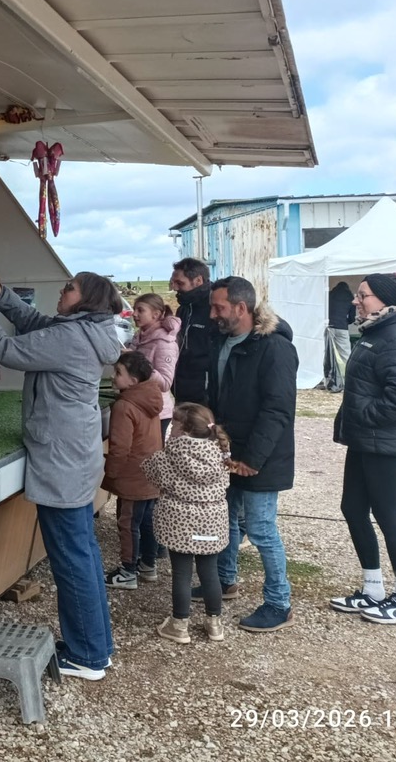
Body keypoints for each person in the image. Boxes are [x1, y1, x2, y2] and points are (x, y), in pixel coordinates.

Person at [0, 271, 124, 680]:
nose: (62, 290)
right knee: (83, 553)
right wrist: (2, 296)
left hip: (62, 460)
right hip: (76, 455)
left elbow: (4, 348)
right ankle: (97, 647)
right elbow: (38, 324)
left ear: (85, 300)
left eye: (69, 288)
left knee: (72, 559)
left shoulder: (71, 337)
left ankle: (86, 656)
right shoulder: (86, 330)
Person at [329, 272, 396, 625]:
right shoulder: (375, 332)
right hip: (364, 439)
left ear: (387, 301)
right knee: (353, 509)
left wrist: (364, 415)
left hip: (386, 444)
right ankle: (372, 589)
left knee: (388, 515)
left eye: (363, 295)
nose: (356, 301)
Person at [205, 275, 298, 633]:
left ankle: (279, 603)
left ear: (241, 308)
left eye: (219, 308)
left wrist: (253, 459)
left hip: (260, 458)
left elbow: (277, 410)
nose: (212, 314)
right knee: (227, 520)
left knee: (261, 529)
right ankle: (225, 580)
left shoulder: (275, 349)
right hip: (229, 452)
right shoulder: (223, 342)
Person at [142, 402, 231, 644]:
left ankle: (179, 625)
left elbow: (152, 474)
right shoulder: (221, 452)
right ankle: (215, 624)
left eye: (174, 424)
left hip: (179, 523)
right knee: (209, 571)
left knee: (181, 573)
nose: (170, 428)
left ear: (185, 429)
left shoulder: (169, 455)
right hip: (212, 522)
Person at [102, 351, 164, 590]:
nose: (113, 376)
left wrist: (111, 474)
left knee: (127, 523)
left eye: (118, 373)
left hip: (133, 476)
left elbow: (120, 448)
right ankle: (148, 565)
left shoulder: (124, 406)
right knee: (147, 520)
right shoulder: (150, 398)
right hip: (151, 473)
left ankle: (128, 572)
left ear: (133, 381)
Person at [129, 293, 182, 438]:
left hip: (157, 413)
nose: (134, 314)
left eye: (140, 310)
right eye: (134, 309)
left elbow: (165, 383)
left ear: (156, 314)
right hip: (138, 406)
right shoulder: (139, 337)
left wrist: (137, 362)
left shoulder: (164, 343)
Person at [169, 257, 212, 406]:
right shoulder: (184, 308)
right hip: (181, 388)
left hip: (204, 393)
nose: (175, 288)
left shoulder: (214, 309)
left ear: (198, 281)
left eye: (180, 283)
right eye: (173, 282)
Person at [322, 281, 355, 393]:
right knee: (345, 354)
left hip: (329, 326)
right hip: (342, 327)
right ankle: (348, 379)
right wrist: (345, 321)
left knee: (326, 354)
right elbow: (352, 317)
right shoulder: (350, 297)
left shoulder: (329, 295)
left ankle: (324, 379)